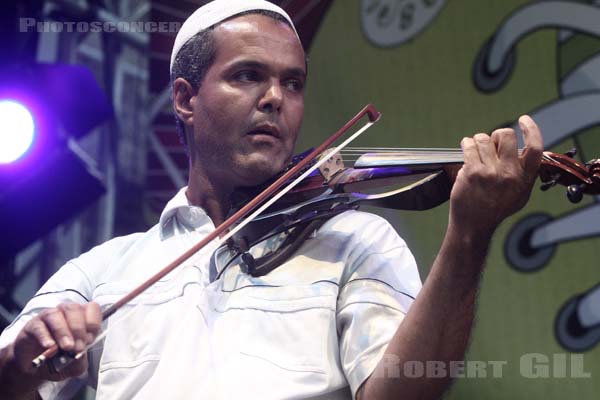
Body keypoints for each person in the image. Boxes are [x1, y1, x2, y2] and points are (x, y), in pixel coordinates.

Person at [0, 0, 544, 399]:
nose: (274, 99)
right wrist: (24, 358)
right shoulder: (104, 270)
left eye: (293, 83)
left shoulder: (356, 241)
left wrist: (468, 237)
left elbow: (401, 395)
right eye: (248, 76)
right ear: (186, 99)